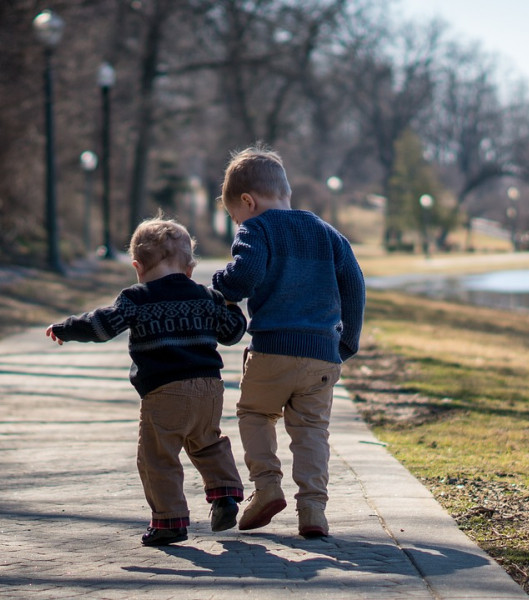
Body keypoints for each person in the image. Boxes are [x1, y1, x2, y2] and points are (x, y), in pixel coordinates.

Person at [46, 215, 247, 547]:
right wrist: (232, 305)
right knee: (208, 442)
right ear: (189, 267)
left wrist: (67, 328)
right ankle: (225, 495)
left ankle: (169, 521)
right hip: (210, 388)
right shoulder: (205, 296)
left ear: (137, 266)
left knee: (157, 456)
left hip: (165, 391)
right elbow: (231, 333)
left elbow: (101, 326)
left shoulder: (136, 298)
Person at [212, 144, 365, 538]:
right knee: (312, 430)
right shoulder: (326, 232)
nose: (237, 222)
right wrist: (347, 341)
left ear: (248, 201)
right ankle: (313, 510)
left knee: (255, 414)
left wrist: (220, 284)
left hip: (272, 349)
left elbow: (243, 277)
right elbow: (354, 284)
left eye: (234, 216)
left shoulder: (256, 228)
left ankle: (266, 488)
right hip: (322, 355)